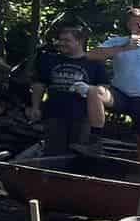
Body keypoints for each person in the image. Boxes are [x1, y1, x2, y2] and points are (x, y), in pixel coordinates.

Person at [90, 6, 140, 158]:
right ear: (128, 25)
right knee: (95, 92)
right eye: (136, 24)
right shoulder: (117, 42)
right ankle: (94, 141)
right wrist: (124, 48)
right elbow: (91, 55)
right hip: (121, 95)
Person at [32, 24, 110, 155]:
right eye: (60, 40)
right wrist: (35, 107)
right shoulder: (50, 60)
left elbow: (105, 89)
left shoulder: (94, 63)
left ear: (79, 41)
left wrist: (89, 90)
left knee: (77, 154)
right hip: (54, 115)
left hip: (82, 117)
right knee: (53, 153)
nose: (61, 43)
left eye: (67, 40)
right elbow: (39, 84)